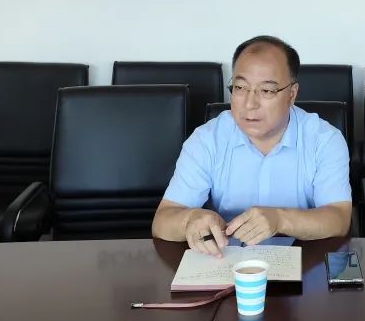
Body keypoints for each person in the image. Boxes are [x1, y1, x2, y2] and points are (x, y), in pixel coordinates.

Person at [151, 36, 352, 254]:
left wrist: (281, 219)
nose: (250, 103)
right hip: (224, 262)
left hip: (303, 261)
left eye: (266, 91)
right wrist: (190, 220)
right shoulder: (207, 139)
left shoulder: (325, 140)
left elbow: (339, 219)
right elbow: (162, 222)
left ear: (291, 94)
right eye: (240, 87)